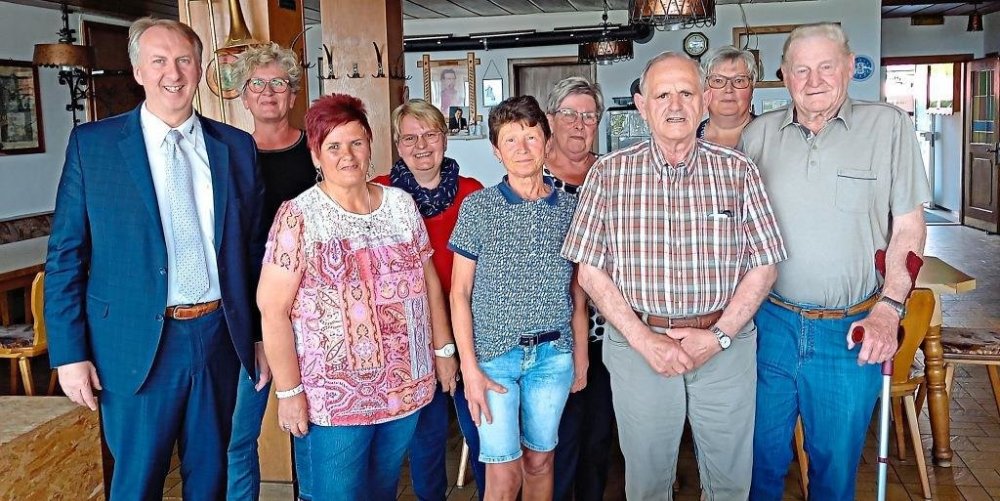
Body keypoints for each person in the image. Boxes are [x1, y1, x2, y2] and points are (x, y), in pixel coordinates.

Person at [45, 17, 264, 499]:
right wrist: (69, 354)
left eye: (184, 60)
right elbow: (65, 255)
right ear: (137, 70)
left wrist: (261, 336)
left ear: (200, 67)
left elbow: (253, 251)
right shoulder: (94, 147)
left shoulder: (236, 147)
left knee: (210, 479)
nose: (174, 72)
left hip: (218, 339)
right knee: (137, 482)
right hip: (133, 345)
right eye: (159, 60)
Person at [561, 51, 788, 500]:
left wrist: (719, 336)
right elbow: (589, 271)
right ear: (642, 105)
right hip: (639, 347)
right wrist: (644, 340)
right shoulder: (608, 174)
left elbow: (766, 263)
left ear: (704, 102)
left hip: (724, 347)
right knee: (646, 485)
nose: (675, 105)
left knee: (729, 484)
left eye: (686, 92)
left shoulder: (738, 171)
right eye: (662, 94)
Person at [740, 23, 930, 500]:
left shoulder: (887, 126)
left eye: (826, 66)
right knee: (757, 464)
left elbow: (908, 229)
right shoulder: (757, 135)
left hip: (849, 331)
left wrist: (889, 308)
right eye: (800, 69)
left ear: (849, 67)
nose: (814, 80)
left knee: (834, 472)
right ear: (784, 76)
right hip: (770, 326)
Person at [257, 93, 455, 501]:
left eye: (356, 142)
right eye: (333, 146)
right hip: (332, 400)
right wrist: (289, 393)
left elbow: (429, 282)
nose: (346, 155)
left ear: (370, 146)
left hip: (405, 388)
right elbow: (272, 309)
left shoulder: (401, 206)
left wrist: (443, 350)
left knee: (382, 490)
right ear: (316, 156)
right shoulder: (299, 216)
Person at [450, 95, 589, 500]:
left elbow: (577, 292)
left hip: (553, 356)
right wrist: (470, 370)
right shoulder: (478, 208)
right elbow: (459, 294)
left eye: (531, 137)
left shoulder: (569, 208)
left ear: (547, 143)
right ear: (496, 151)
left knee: (540, 461)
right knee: (502, 472)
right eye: (511, 140)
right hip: (495, 359)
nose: (522, 148)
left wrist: (580, 354)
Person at [372, 99, 486, 501]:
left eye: (430, 134)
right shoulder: (380, 194)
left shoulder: (473, 193)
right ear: (398, 144)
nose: (421, 145)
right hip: (409, 336)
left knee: (480, 427)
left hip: (468, 327)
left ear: (445, 137)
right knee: (427, 434)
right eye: (410, 138)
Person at [228, 42, 315, 501]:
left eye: (278, 83)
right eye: (256, 84)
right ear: (243, 96)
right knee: (238, 435)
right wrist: (257, 328)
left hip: (312, 317)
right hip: (245, 317)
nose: (267, 92)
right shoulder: (224, 155)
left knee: (312, 428)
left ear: (292, 93)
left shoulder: (317, 154)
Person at [544, 76, 616, 501]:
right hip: (550, 334)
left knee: (597, 436)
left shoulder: (612, 175)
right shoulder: (529, 176)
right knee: (556, 440)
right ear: (551, 118)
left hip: (607, 330)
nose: (578, 124)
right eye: (569, 113)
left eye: (588, 115)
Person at [698, 45, 758, 148]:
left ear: (752, 88)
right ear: (704, 89)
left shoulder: (772, 135)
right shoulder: (685, 138)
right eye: (718, 81)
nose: (729, 89)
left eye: (739, 80)